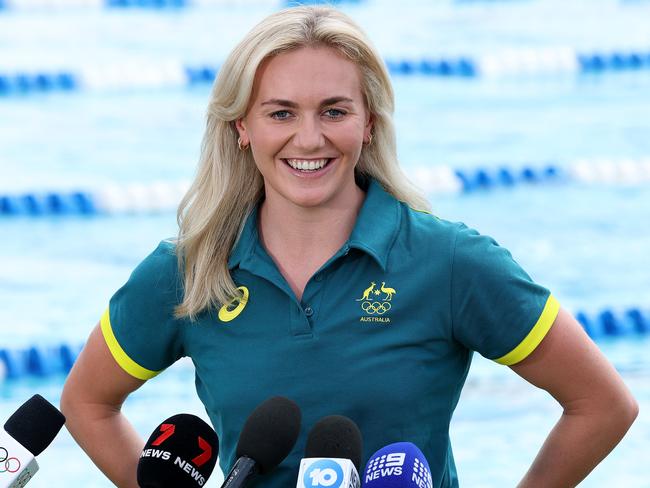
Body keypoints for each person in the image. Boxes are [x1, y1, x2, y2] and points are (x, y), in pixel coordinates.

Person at [60, 6, 638, 487]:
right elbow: (87, 403)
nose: (308, 138)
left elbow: (602, 404)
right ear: (242, 128)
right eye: (280, 112)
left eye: (334, 111)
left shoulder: (451, 262)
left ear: (368, 123)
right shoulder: (188, 270)